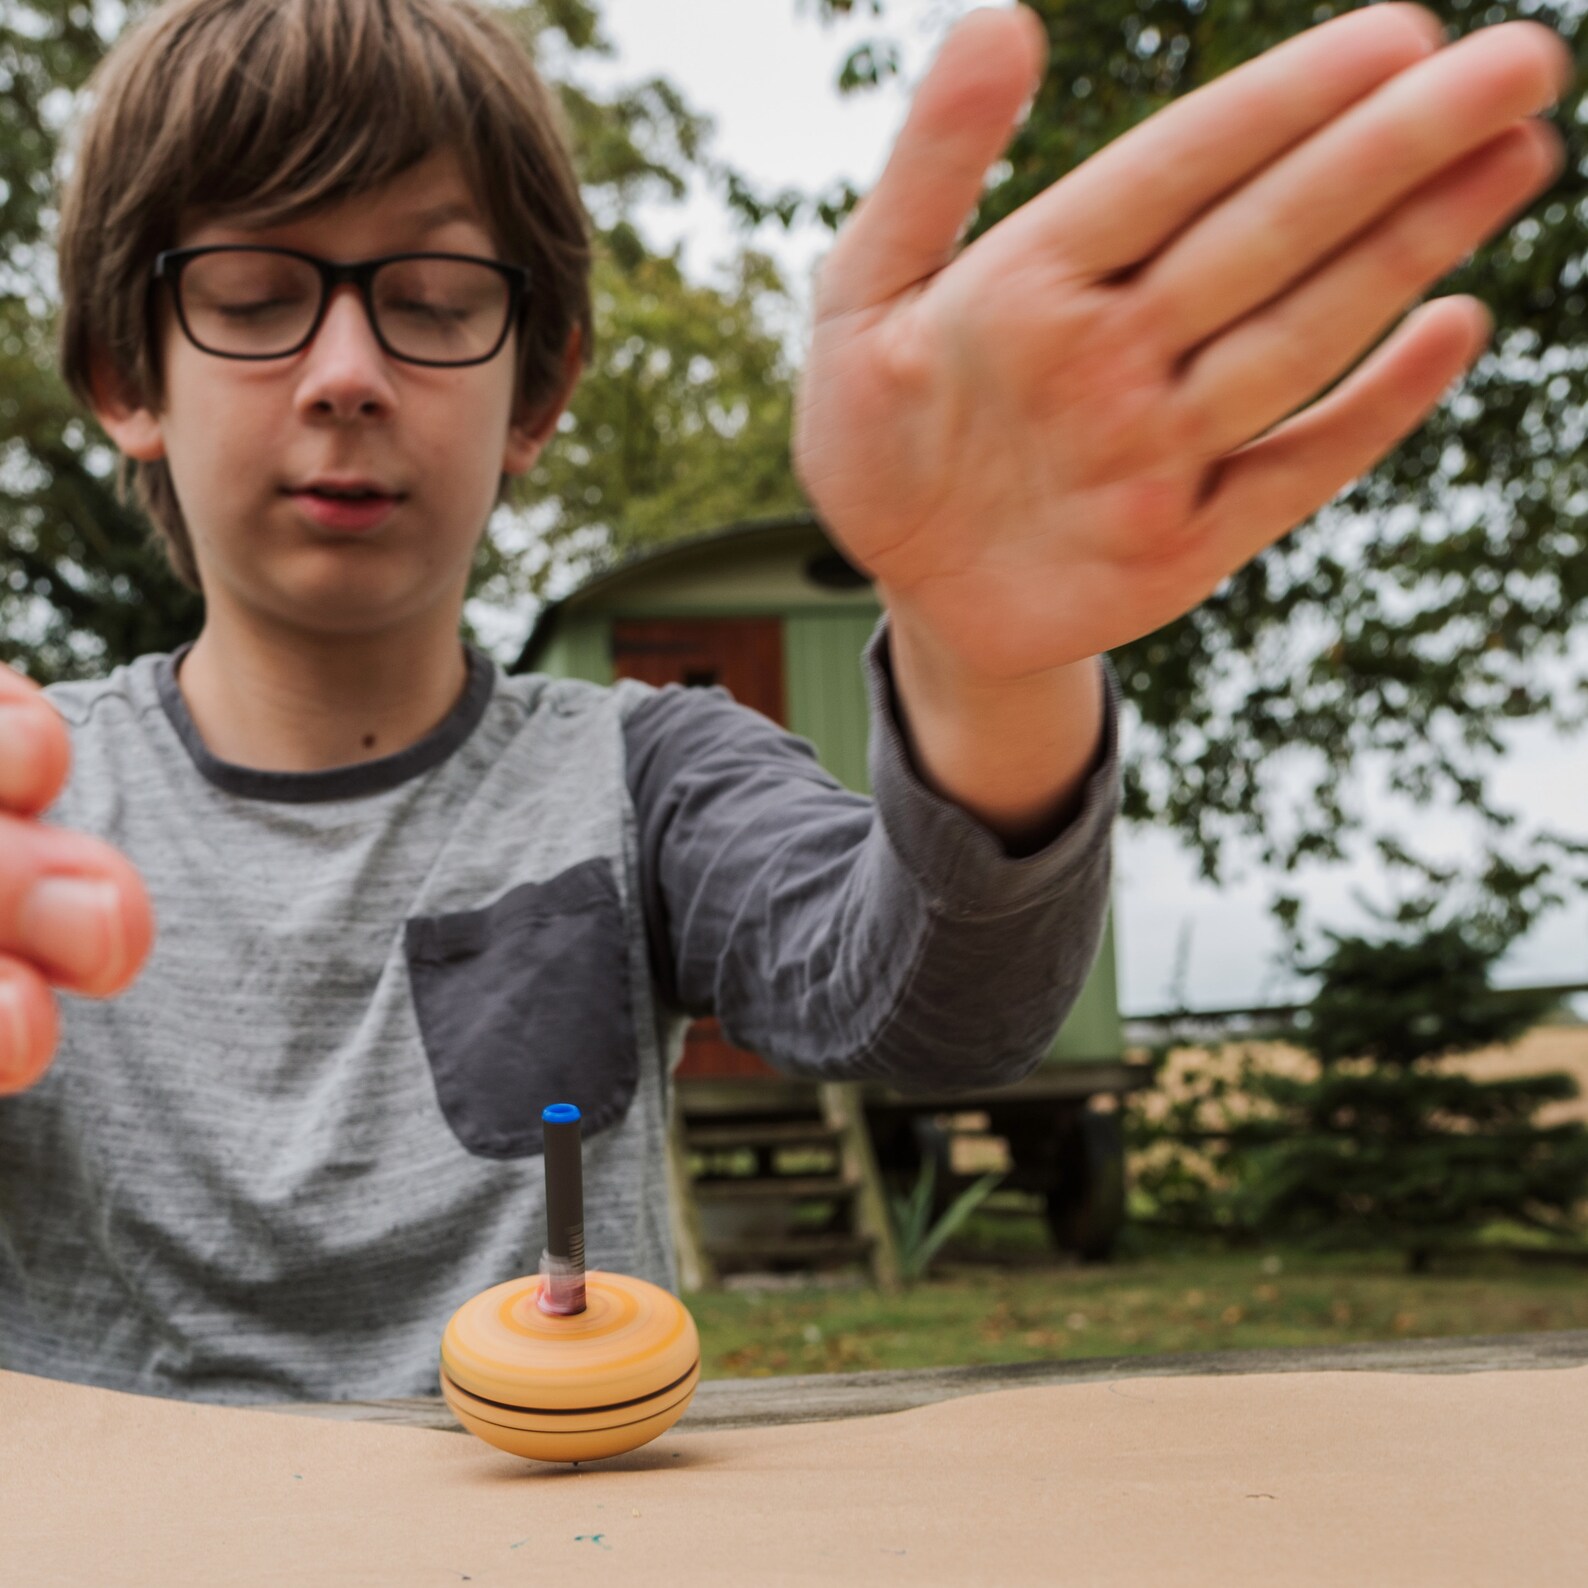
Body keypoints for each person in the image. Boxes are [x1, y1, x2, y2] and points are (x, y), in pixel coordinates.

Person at [0, 0, 1567, 1404]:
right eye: (257, 292)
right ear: (127, 376)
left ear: (536, 389)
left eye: (429, 295)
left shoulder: (646, 771)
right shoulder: (25, 798)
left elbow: (944, 1007)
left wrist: (994, 653)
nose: (347, 369)